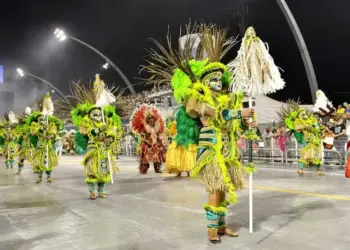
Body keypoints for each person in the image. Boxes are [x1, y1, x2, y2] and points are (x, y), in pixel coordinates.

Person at [141, 22, 256, 243]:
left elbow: (231, 126)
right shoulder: (199, 101)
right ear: (203, 81)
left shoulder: (226, 99)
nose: (215, 82)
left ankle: (221, 227)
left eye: (218, 79)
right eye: (210, 79)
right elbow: (214, 117)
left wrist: (245, 124)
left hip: (227, 150)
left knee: (223, 189)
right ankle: (211, 229)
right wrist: (237, 115)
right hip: (211, 150)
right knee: (215, 188)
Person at [58, 75, 122, 199]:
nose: (98, 114)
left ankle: (101, 191)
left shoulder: (107, 121)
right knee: (92, 171)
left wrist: (110, 137)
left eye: (99, 113)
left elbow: (113, 134)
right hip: (93, 151)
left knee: (103, 171)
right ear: (91, 114)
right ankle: (92, 192)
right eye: (95, 113)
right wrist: (102, 130)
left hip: (104, 151)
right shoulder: (88, 123)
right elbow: (92, 133)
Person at [280, 101, 325, 176]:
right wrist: (306, 127)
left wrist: (319, 129)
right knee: (306, 155)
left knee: (317, 155)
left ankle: (318, 170)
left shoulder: (312, 120)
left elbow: (317, 129)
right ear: (299, 115)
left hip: (316, 141)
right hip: (307, 140)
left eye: (304, 113)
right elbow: (297, 128)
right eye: (302, 113)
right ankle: (300, 169)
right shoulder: (299, 122)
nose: (304, 114)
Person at [27, 93, 63, 183]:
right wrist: (41, 129)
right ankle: (39, 177)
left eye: (43, 118)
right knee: (38, 162)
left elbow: (55, 134)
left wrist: (50, 135)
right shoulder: (35, 125)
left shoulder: (51, 125)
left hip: (48, 147)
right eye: (40, 118)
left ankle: (48, 177)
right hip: (40, 147)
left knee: (48, 162)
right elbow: (33, 132)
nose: (42, 120)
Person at [130, 105, 165, 174]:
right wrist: (147, 141)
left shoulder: (156, 126)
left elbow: (157, 135)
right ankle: (143, 169)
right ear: (147, 120)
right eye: (150, 119)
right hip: (146, 143)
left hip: (154, 143)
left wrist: (159, 141)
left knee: (157, 156)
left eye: (152, 118)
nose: (151, 120)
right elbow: (142, 136)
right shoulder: (145, 127)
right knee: (145, 157)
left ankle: (157, 168)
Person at [16, 107, 35, 175]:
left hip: (32, 146)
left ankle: (36, 169)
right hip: (24, 146)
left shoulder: (34, 125)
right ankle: (19, 170)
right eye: (26, 116)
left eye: (28, 116)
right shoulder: (23, 127)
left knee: (35, 158)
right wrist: (19, 145)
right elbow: (20, 137)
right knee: (21, 158)